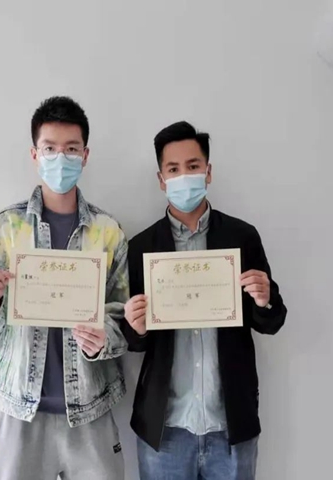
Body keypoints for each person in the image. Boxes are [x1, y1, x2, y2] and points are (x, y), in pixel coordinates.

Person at [0, 96, 129, 480]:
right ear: (34, 154)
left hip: (91, 406)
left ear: (85, 155)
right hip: (18, 409)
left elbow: (125, 317)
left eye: (71, 149)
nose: (61, 158)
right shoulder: (5, 228)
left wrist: (103, 338)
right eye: (50, 148)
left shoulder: (108, 232)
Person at [122, 121, 287, 480]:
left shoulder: (242, 236)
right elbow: (133, 340)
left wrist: (265, 299)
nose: (184, 176)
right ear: (161, 179)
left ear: (208, 172)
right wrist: (135, 327)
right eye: (173, 169)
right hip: (164, 429)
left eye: (193, 166)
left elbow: (273, 321)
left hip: (231, 426)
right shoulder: (141, 247)